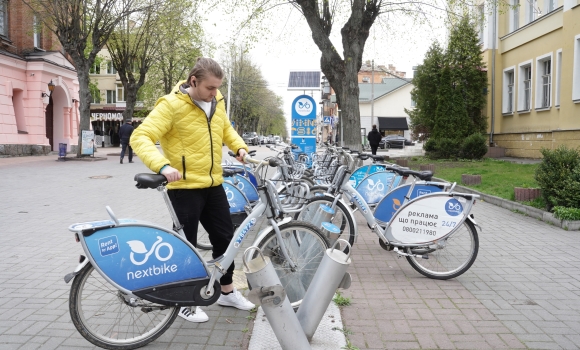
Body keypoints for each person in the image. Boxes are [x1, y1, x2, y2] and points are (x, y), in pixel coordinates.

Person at [130, 57, 254, 323]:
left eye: (217, 88)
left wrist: (239, 147)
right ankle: (185, 301)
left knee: (225, 238)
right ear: (193, 81)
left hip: (213, 184)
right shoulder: (171, 105)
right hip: (184, 187)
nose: (214, 93)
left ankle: (227, 291)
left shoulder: (216, 102)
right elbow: (140, 137)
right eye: (210, 88)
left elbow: (226, 130)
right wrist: (162, 165)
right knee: (186, 246)